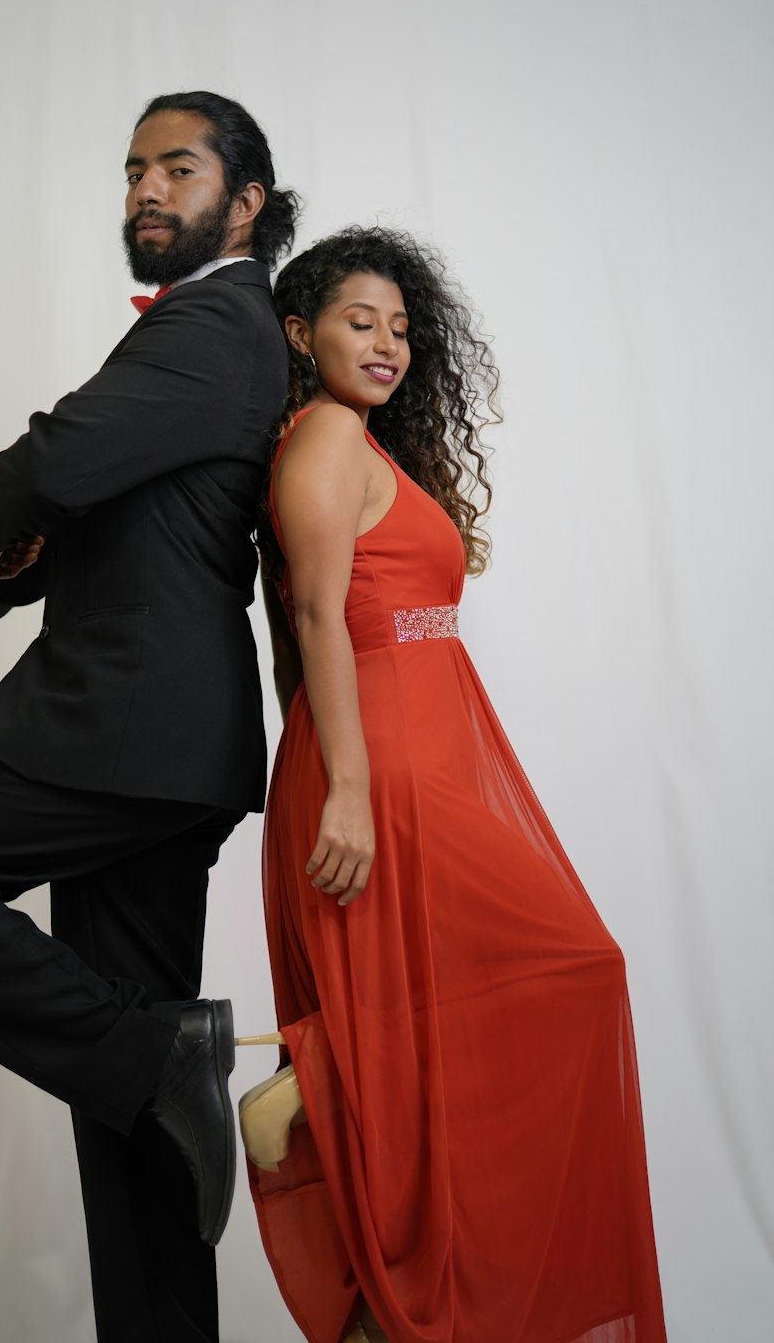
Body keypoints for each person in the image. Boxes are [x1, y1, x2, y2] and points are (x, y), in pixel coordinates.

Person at [0, 90, 299, 1343]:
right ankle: (157, 1067)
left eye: (178, 169)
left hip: (129, 724)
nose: (145, 189)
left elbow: (56, 470)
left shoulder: (215, 326)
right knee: (142, 1121)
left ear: (243, 202)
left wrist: (14, 478)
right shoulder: (204, 336)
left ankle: (156, 1050)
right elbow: (83, 511)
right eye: (134, 169)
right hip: (159, 740)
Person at [239, 228, 668, 1343]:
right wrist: (344, 787)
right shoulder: (327, 436)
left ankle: (344, 1142)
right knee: (561, 968)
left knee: (456, 1006)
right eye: (356, 321)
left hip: (417, 742)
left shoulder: (364, 442)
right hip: (376, 758)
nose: (385, 343)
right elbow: (315, 614)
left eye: (399, 325)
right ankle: (308, 1095)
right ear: (300, 334)